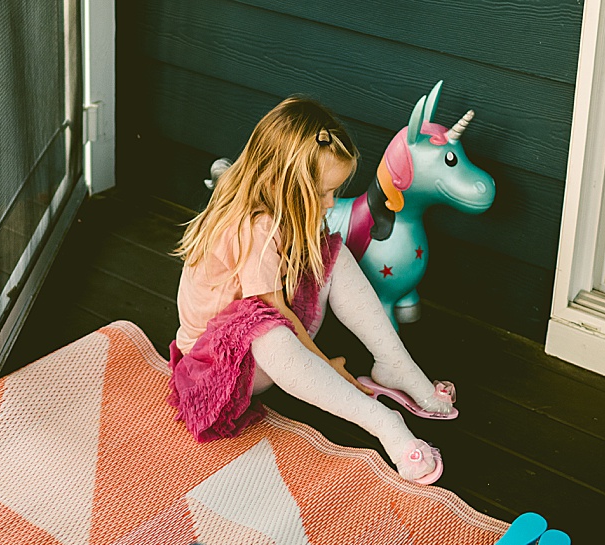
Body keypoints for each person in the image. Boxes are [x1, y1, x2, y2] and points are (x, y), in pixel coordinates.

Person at [167, 96, 454, 484]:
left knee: (332, 253)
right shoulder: (255, 225)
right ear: (279, 181)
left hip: (266, 334)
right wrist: (330, 369)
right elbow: (271, 317)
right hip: (220, 370)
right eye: (321, 193)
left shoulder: (277, 204)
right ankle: (384, 423)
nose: (331, 202)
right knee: (263, 326)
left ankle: (396, 365)